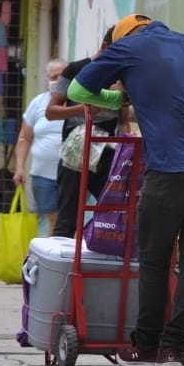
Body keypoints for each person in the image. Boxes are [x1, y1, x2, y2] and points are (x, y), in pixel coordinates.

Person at [68, 14, 184, 366]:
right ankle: (173, 347)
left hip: (169, 173)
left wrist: (122, 100)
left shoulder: (125, 48)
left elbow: (78, 91)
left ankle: (145, 346)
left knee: (155, 261)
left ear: (121, 36)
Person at [45, 27, 130, 239]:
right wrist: (83, 110)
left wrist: (125, 152)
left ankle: (101, 260)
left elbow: (124, 121)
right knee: (68, 217)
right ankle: (61, 266)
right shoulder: (75, 70)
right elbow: (51, 112)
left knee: (113, 211)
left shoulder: (120, 76)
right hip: (76, 150)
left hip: (107, 151)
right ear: (104, 47)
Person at [13, 58, 66, 235]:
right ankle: (54, 259)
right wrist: (19, 168)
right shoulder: (38, 103)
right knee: (53, 219)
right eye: (54, 76)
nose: (58, 80)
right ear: (46, 79)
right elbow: (24, 138)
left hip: (72, 173)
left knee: (67, 219)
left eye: (62, 76)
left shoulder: (77, 102)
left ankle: (65, 259)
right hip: (43, 175)